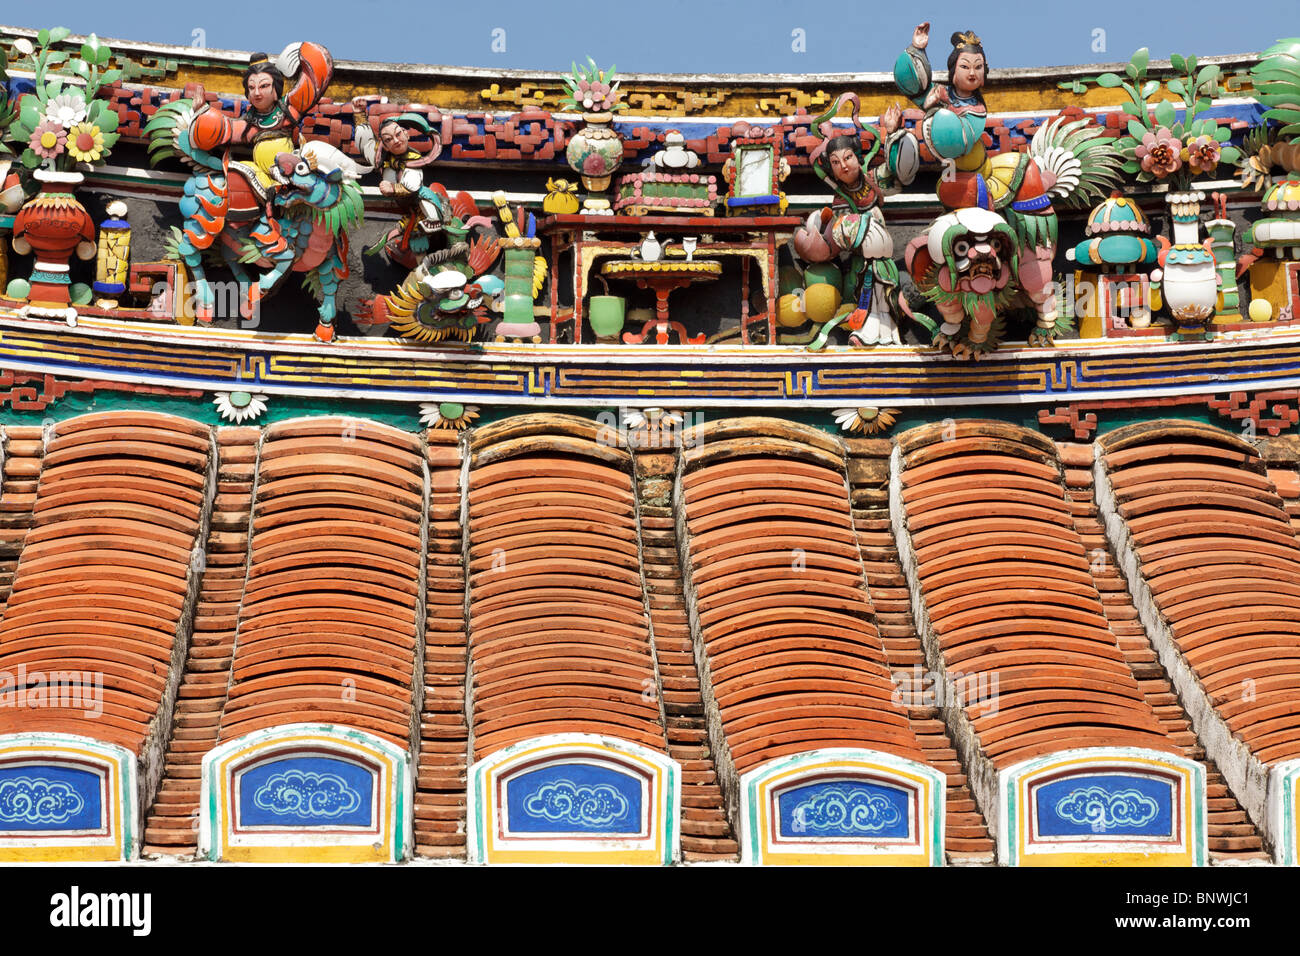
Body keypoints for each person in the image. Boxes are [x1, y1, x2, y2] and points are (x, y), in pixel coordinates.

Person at [797, 93, 917, 348]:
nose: (844, 165)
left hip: (881, 254)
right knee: (859, 290)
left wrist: (892, 134)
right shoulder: (839, 199)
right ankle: (864, 331)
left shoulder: (874, 179)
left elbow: (898, 172)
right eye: (836, 162)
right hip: (857, 260)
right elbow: (839, 237)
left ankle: (884, 334)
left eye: (848, 157)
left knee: (883, 289)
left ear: (858, 158)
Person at [352, 101, 451, 270]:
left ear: (406, 134)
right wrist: (359, 114)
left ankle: (433, 227)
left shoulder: (413, 160)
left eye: (398, 134)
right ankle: (421, 269)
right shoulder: (383, 159)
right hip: (408, 212)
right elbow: (365, 143)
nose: (396, 141)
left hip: (423, 208)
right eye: (389, 139)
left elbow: (411, 187)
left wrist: (392, 188)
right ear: (385, 145)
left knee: (425, 198)